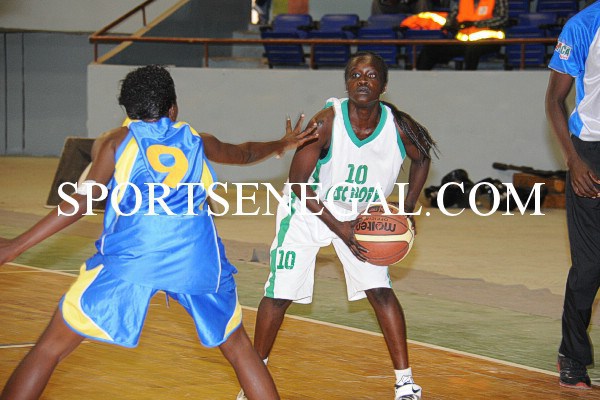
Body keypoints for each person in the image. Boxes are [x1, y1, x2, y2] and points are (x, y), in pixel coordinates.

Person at [0, 65, 318, 400]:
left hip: (135, 257)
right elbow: (245, 153)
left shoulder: (115, 143)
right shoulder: (197, 139)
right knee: (240, 348)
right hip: (197, 258)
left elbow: (80, 202)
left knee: (50, 348)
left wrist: (16, 245)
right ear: (173, 109)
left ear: (126, 110)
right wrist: (282, 144)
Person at [238, 51, 436, 400]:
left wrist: (406, 208)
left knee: (380, 291)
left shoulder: (399, 127)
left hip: (362, 216)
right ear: (346, 83)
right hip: (307, 210)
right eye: (356, 75)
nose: (363, 80)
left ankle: (405, 383)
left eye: (371, 75)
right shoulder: (327, 121)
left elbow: (422, 159)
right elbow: (299, 183)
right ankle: (254, 378)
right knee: (280, 294)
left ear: (384, 85)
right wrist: (339, 229)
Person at [545, 1, 600, 390]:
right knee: (591, 266)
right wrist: (573, 159)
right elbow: (554, 99)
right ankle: (572, 355)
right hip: (591, 153)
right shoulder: (583, 25)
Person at [415, 0, 508, 70]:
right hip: (463, 41)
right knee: (431, 48)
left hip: (489, 41)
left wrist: (475, 24)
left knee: (472, 50)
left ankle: (467, 82)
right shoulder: (463, 1)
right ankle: (419, 79)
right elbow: (452, 17)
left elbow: (502, 19)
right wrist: (450, 25)